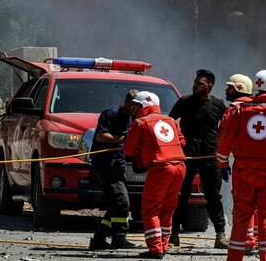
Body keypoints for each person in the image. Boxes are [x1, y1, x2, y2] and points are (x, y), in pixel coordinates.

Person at [217, 69, 266, 261]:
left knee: (241, 218)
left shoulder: (240, 110)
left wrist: (222, 162)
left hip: (243, 170)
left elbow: (225, 140)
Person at [168, 69, 228, 248]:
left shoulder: (218, 104)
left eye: (200, 83)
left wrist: (224, 152)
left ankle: (220, 235)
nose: (195, 85)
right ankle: (174, 235)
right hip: (187, 156)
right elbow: (170, 122)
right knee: (181, 195)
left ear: (209, 85)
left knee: (213, 196)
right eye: (195, 82)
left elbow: (227, 127)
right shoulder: (185, 101)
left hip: (210, 157)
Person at [124, 91, 187, 259]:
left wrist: (142, 147)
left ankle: (155, 249)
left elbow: (128, 150)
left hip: (161, 169)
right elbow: (182, 141)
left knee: (151, 209)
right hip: (180, 166)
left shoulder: (140, 123)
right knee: (167, 209)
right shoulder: (170, 120)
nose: (134, 108)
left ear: (143, 106)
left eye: (137, 105)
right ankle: (164, 245)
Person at [88, 89, 139, 250]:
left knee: (116, 204)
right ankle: (119, 238)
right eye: (132, 105)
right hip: (105, 165)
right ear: (126, 102)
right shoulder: (110, 114)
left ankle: (99, 239)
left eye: (136, 106)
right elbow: (100, 136)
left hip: (119, 164)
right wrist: (122, 140)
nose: (133, 108)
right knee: (122, 203)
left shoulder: (133, 118)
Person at [216, 73, 258, 256]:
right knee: (259, 204)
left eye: (230, 87)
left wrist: (222, 161)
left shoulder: (234, 109)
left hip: (244, 164)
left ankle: (247, 242)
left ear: (239, 89)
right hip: (265, 164)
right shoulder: (260, 107)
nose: (227, 90)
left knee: (243, 203)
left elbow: (223, 137)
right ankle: (255, 240)